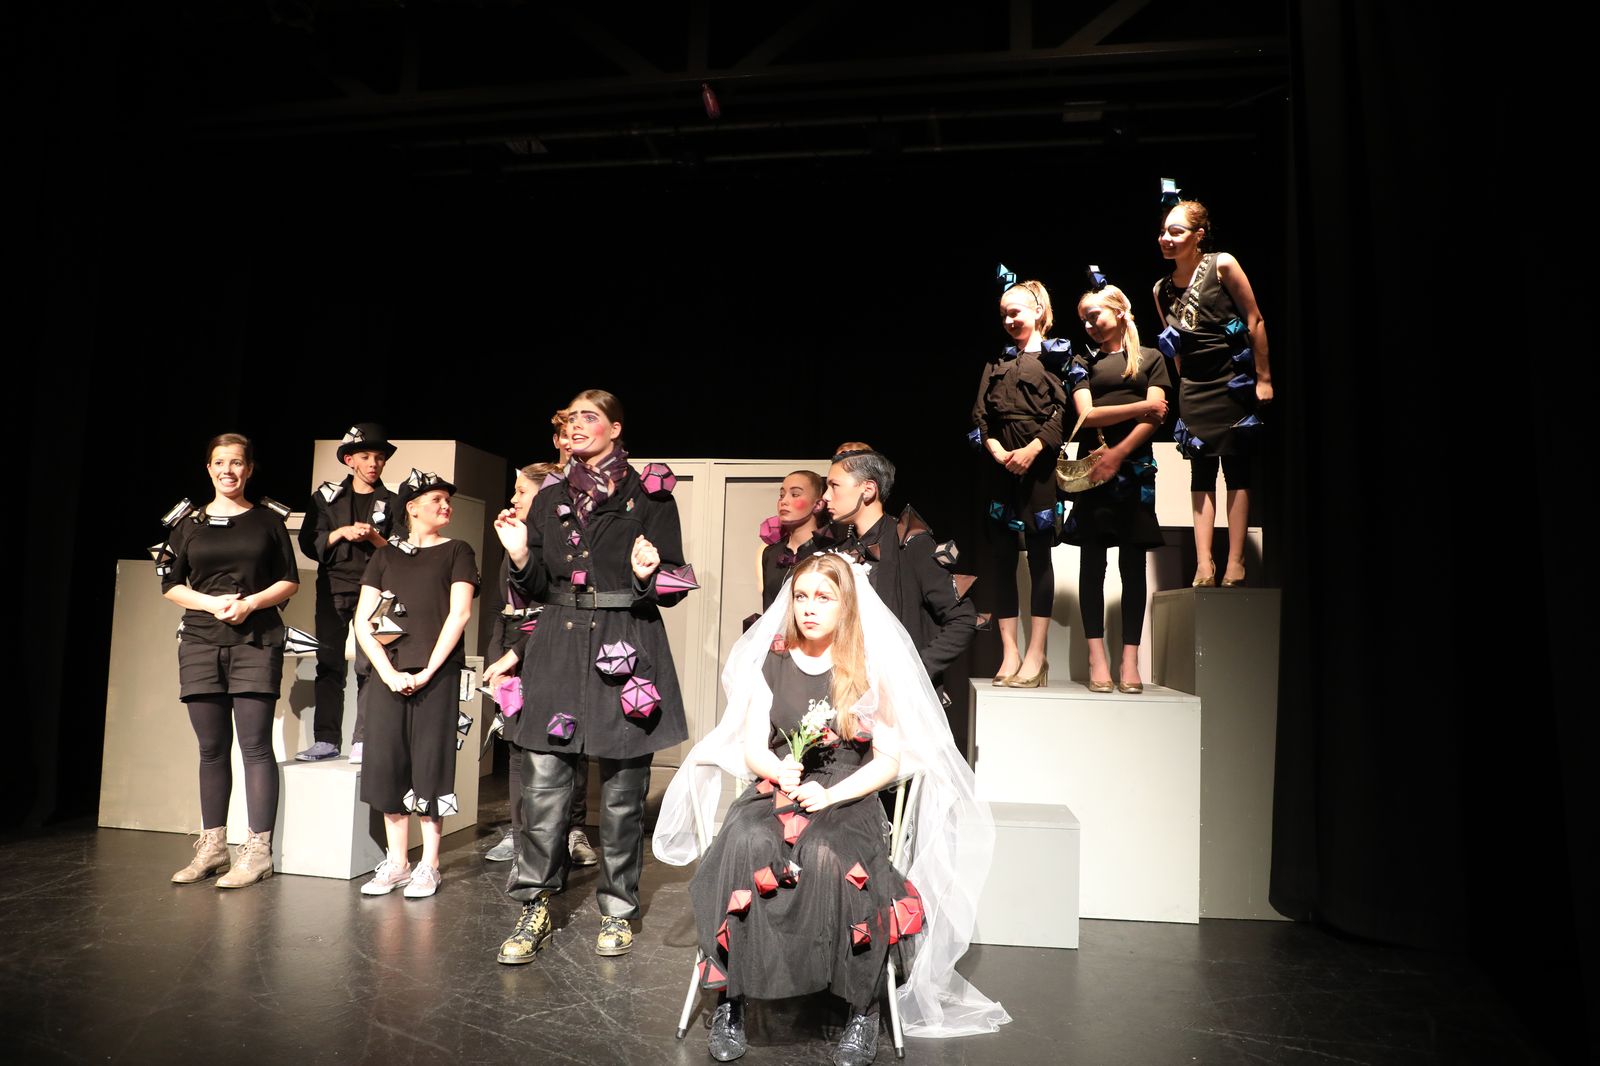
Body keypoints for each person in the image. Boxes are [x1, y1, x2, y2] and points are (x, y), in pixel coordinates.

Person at [654, 553, 1009, 1063]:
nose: (809, 608)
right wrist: (777, 769)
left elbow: (887, 761)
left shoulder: (867, 667)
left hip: (847, 791)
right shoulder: (771, 662)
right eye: (801, 596)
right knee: (747, 841)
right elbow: (754, 747)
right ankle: (732, 996)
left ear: (846, 605)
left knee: (826, 852)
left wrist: (831, 795)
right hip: (781, 786)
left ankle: (861, 1007)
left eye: (823, 598)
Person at [492, 389, 691, 961]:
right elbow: (532, 588)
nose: (577, 425)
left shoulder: (648, 494)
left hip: (626, 643)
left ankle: (619, 910)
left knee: (624, 797)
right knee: (543, 791)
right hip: (557, 646)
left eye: (590, 416)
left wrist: (649, 575)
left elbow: (673, 580)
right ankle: (534, 906)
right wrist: (520, 555)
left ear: (615, 427)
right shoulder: (551, 495)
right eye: (572, 418)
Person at [162, 433, 299, 888]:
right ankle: (214, 846)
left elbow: (289, 581)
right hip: (200, 639)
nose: (228, 470)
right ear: (209, 468)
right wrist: (209, 603)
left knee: (255, 746)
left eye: (237, 462)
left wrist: (250, 603)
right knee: (211, 748)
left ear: (249, 469)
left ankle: (257, 851)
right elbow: (170, 584)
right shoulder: (188, 524)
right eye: (220, 462)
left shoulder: (268, 521)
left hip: (256, 639)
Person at [353, 469, 479, 899]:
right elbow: (362, 621)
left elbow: (459, 614)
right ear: (412, 507)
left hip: (436, 674)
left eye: (448, 500)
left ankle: (430, 864)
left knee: (430, 762)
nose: (446, 506)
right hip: (388, 673)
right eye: (437, 499)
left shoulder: (458, 550)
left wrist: (427, 671)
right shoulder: (385, 556)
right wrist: (387, 673)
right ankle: (397, 862)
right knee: (387, 761)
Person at [481, 458, 598, 868]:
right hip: (512, 652)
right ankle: (520, 836)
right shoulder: (514, 538)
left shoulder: (564, 545)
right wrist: (499, 657)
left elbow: (554, 609)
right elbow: (503, 606)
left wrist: (515, 653)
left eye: (522, 492)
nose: (514, 499)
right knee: (516, 745)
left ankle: (569, 831)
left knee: (562, 741)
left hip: (550, 650)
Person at [1153, 198, 1274, 587]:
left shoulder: (1222, 264)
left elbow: (1255, 319)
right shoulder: (1160, 289)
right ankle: (1204, 562)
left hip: (1231, 381)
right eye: (1163, 232)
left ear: (1198, 235)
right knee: (1200, 471)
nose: (1167, 238)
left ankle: (1236, 560)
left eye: (1176, 231)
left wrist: (1264, 377)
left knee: (1236, 468)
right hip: (1194, 387)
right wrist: (1183, 385)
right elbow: (1174, 347)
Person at [1061, 283, 1171, 693]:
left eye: (1094, 316)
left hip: (1133, 472)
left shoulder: (1152, 358)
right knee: (1093, 563)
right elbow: (1086, 417)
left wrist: (1119, 453)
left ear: (1120, 311)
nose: (1088, 325)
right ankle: (1097, 657)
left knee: (1132, 566)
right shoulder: (1081, 362)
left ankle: (1129, 659)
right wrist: (1142, 405)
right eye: (1084, 319)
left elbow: (1157, 417)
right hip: (1094, 472)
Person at [971, 278, 1072, 687]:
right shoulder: (995, 362)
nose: (1009, 320)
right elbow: (979, 416)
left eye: (1015, 312)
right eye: (1004, 315)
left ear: (1038, 312)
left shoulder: (1057, 358)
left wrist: (1034, 448)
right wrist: (995, 448)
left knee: (1040, 556)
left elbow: (1065, 411)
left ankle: (1037, 654)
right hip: (1000, 469)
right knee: (1002, 558)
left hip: (1039, 467)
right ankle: (1010, 651)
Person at [820, 449, 975, 694]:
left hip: (900, 698)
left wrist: (915, 671)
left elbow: (963, 618)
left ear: (868, 489)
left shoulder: (910, 543)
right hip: (847, 692)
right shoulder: (840, 552)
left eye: (834, 486)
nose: (826, 496)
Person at [295, 423, 398, 764]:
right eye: (365, 456)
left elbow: (402, 550)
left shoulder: (394, 502)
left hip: (376, 591)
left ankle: (363, 739)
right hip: (334, 588)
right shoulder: (326, 498)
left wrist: (374, 538)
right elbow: (308, 541)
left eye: (379, 457)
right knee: (329, 664)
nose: (373, 463)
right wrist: (340, 533)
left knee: (370, 665)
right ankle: (326, 740)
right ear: (349, 460)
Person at [758, 470, 827, 611]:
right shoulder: (771, 553)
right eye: (781, 495)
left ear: (818, 504)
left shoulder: (828, 553)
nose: (784, 501)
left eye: (795, 494)